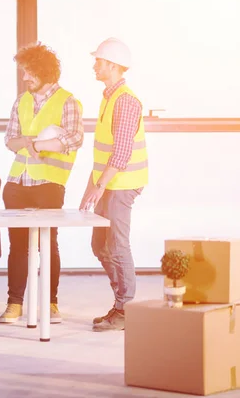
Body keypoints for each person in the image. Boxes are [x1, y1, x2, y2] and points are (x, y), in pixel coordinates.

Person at [0, 43, 84, 324]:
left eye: (29, 73)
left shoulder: (67, 101)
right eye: (24, 73)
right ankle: (14, 304)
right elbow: (10, 140)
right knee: (18, 246)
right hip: (17, 183)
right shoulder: (21, 101)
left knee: (48, 244)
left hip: (48, 184)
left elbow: (74, 139)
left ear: (44, 72)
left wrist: (38, 143)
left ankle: (50, 303)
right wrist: (26, 142)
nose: (25, 78)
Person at [79, 38, 149, 332]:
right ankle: (120, 304)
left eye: (98, 60)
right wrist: (90, 190)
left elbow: (120, 154)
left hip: (122, 184)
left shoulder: (126, 100)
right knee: (100, 245)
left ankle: (125, 309)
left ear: (112, 65)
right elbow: (102, 154)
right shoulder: (108, 97)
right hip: (108, 183)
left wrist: (99, 188)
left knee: (118, 245)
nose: (94, 65)